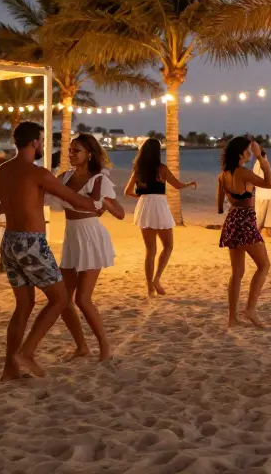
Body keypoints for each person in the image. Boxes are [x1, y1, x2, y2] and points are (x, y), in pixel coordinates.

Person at [0, 121, 99, 381]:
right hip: (32, 243)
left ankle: (9, 369)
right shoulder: (39, 173)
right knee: (59, 300)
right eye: (42, 140)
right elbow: (75, 199)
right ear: (35, 142)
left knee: (23, 305)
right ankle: (28, 352)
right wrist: (101, 204)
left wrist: (18, 204)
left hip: (10, 243)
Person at [54, 133, 123, 362]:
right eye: (70, 150)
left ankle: (105, 345)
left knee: (83, 299)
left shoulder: (98, 180)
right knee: (62, 300)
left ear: (89, 154)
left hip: (91, 237)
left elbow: (117, 212)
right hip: (71, 236)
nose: (71, 154)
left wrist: (103, 204)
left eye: (77, 151)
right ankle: (82, 346)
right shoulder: (64, 177)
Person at [124, 137, 196, 297]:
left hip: (145, 206)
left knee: (150, 250)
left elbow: (127, 192)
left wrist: (141, 197)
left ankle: (150, 287)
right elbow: (177, 185)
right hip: (159, 206)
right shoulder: (161, 168)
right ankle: (156, 279)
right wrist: (189, 184)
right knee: (168, 246)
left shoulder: (138, 170)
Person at [216, 136, 271, 328]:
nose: (250, 153)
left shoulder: (223, 174)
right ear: (241, 153)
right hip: (245, 221)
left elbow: (219, 203)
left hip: (232, 220)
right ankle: (250, 309)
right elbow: (269, 183)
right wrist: (261, 159)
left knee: (237, 273)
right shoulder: (243, 173)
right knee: (264, 265)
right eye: (248, 150)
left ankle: (232, 318)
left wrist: (223, 206)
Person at [253, 149, 271, 238]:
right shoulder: (264, 163)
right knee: (269, 220)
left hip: (264, 195)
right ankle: (269, 236)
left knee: (259, 219)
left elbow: (254, 179)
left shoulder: (258, 164)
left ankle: (256, 236)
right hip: (270, 195)